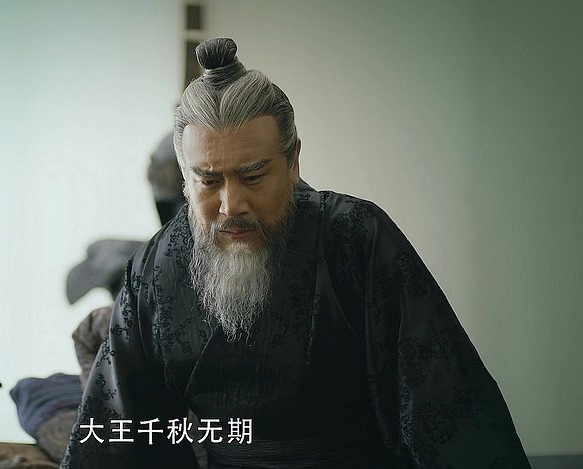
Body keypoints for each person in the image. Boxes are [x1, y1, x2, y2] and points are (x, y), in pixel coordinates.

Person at [61, 38, 529, 468]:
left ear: (293, 161)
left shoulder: (355, 237)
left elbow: (446, 407)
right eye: (208, 181)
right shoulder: (157, 267)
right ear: (186, 177)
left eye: (252, 176)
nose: (231, 204)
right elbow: (116, 430)